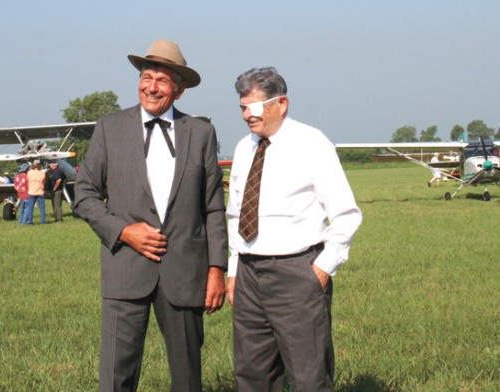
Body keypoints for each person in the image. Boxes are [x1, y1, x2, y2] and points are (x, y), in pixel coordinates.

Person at [74, 38, 228, 392]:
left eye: (162, 79)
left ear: (179, 89)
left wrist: (217, 268)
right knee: (115, 378)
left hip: (185, 274)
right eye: (146, 76)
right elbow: (83, 194)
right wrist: (123, 231)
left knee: (188, 378)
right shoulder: (109, 127)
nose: (151, 86)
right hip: (125, 268)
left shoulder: (201, 133)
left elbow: (213, 206)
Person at [226, 67, 362, 391]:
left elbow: (347, 214)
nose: (246, 115)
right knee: (251, 374)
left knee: (308, 377)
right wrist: (234, 269)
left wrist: (321, 269)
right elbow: (235, 214)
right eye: (242, 107)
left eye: (253, 106)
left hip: (297, 272)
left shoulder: (312, 143)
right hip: (248, 274)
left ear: (281, 103)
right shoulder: (244, 148)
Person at [26, 160, 46, 224]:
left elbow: (27, 180)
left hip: (31, 192)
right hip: (40, 192)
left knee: (30, 208)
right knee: (42, 208)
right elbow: (44, 181)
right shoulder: (42, 173)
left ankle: (30, 221)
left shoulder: (29, 172)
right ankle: (43, 221)